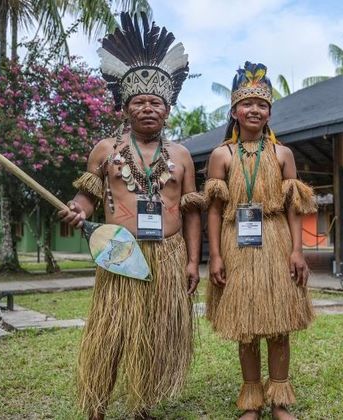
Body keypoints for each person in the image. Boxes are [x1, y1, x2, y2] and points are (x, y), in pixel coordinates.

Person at [58, 12, 202, 419]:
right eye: (138, 102)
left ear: (168, 108)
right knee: (112, 335)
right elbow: (87, 195)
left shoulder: (182, 156)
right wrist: (78, 210)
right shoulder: (105, 150)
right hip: (120, 254)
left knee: (154, 335)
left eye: (155, 102)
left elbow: (191, 212)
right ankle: (97, 407)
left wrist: (193, 260)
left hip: (168, 255)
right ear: (125, 108)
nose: (147, 108)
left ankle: (141, 405)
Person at [204, 62, 316, 420]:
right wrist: (215, 257)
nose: (255, 110)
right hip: (235, 241)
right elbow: (213, 210)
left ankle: (280, 400)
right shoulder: (222, 155)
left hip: (276, 238)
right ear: (234, 110)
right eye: (247, 104)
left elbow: (294, 208)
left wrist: (298, 250)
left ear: (269, 112)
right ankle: (251, 400)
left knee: (279, 323)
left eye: (262, 105)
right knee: (246, 326)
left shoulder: (283, 154)